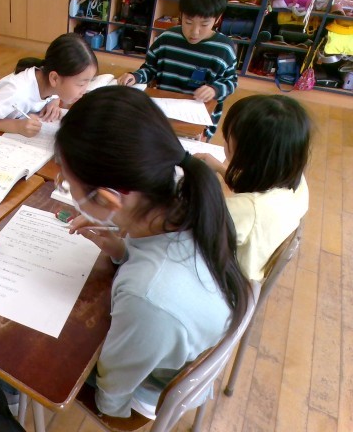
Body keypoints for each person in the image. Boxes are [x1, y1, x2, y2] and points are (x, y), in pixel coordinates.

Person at [56, 86, 251, 418]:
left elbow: (112, 392)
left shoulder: (146, 296)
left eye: (67, 184)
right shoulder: (190, 200)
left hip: (148, 391)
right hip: (172, 341)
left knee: (39, 352)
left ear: (107, 198)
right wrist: (122, 250)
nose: (66, 188)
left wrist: (108, 411)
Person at [194, 95, 311, 281]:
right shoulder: (294, 180)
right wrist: (220, 168)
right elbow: (255, 188)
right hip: (250, 269)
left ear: (249, 153)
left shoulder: (245, 210)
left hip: (227, 280)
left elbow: (196, 232)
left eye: (227, 137)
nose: (224, 140)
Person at [117, 0, 237, 139]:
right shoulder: (166, 39)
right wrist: (136, 76)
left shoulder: (224, 49)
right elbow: (150, 69)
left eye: (204, 24)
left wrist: (215, 89)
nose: (194, 32)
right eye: (188, 22)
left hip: (197, 123)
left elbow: (230, 82)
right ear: (180, 14)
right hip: (163, 116)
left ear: (217, 19)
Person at [0, 33, 97, 138]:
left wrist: (54, 101)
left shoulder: (46, 77)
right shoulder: (17, 91)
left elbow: (55, 90)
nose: (84, 90)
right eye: (81, 84)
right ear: (54, 78)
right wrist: (16, 126)